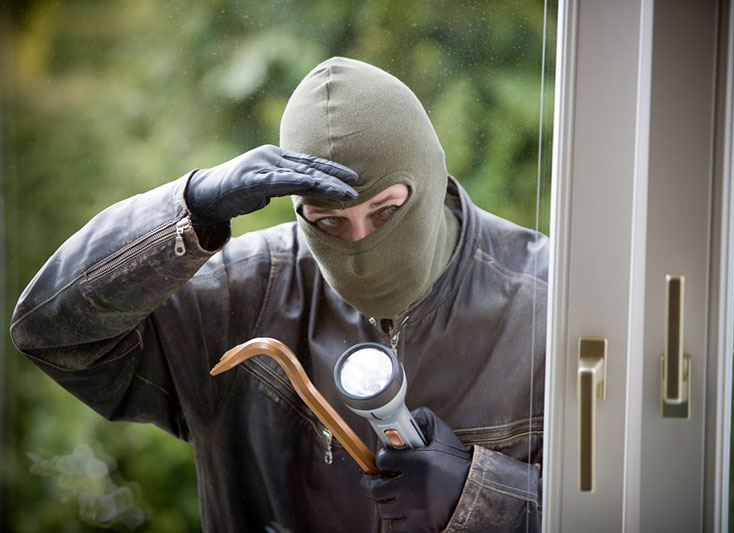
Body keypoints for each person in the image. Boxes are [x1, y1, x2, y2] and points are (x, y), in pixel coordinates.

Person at [10, 57, 548, 532]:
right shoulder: (245, 295)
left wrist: (480, 497)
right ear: (300, 213)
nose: (361, 244)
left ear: (430, 177)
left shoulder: (551, 302)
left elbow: (623, 507)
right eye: (330, 221)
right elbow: (51, 333)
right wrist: (187, 208)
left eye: (386, 211)